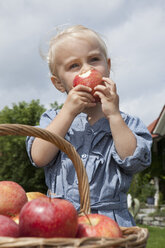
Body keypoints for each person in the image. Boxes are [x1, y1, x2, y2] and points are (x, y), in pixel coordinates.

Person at [26, 25, 152, 227]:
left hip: (109, 224)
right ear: (59, 84)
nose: (87, 70)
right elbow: (39, 157)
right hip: (61, 221)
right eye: (74, 66)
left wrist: (114, 116)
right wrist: (67, 113)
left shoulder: (127, 122)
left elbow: (134, 162)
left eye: (94, 60)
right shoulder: (53, 119)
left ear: (108, 65)